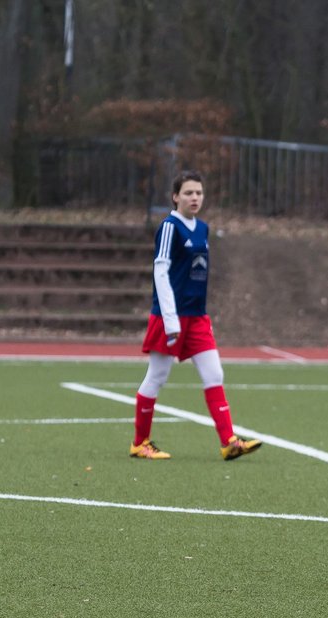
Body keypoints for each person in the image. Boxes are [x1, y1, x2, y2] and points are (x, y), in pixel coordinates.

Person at [129, 170, 262, 461]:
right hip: (170, 317)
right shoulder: (168, 227)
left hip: (198, 317)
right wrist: (170, 318)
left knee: (215, 373)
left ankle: (229, 442)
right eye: (188, 193)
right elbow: (161, 272)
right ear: (175, 196)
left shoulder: (202, 228)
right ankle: (140, 443)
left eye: (198, 193)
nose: (194, 198)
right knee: (158, 376)